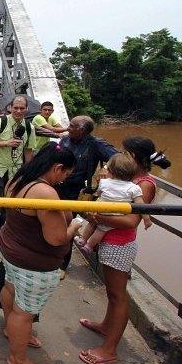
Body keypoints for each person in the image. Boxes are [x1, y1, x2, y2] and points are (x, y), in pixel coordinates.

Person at [78, 136, 170, 364]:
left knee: (119, 296)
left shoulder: (143, 185)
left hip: (120, 244)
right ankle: (106, 326)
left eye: (124, 151)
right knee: (112, 292)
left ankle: (109, 349)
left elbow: (131, 221)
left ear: (134, 157)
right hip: (110, 240)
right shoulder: (128, 179)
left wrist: (98, 216)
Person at [0, 142, 76, 364]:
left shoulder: (18, 178)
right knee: (24, 312)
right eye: (65, 175)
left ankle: (12, 332)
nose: (64, 180)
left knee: (10, 289)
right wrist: (75, 226)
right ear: (57, 167)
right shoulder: (45, 192)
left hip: (9, 249)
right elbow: (56, 238)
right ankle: (18, 359)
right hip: (32, 263)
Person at [55, 115, 118, 277]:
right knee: (50, 221)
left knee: (67, 224)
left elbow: (119, 159)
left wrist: (106, 170)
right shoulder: (65, 140)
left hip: (75, 191)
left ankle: (62, 265)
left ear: (82, 130)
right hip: (56, 187)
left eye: (72, 126)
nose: (68, 128)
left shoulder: (95, 144)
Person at [0, 95, 37, 265]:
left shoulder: (29, 127)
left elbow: (28, 151)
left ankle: (5, 242)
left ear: (26, 109)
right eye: (16, 108)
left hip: (15, 171)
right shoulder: (0, 123)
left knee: (10, 208)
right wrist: (6, 143)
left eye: (22, 108)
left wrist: (29, 174)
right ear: (10, 108)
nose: (19, 111)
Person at [73, 153, 152, 253]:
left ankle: (83, 239)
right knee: (101, 230)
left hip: (99, 209)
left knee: (92, 223)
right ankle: (89, 246)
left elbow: (99, 194)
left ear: (111, 171)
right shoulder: (134, 188)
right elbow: (140, 205)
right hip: (116, 214)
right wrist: (146, 219)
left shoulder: (104, 182)